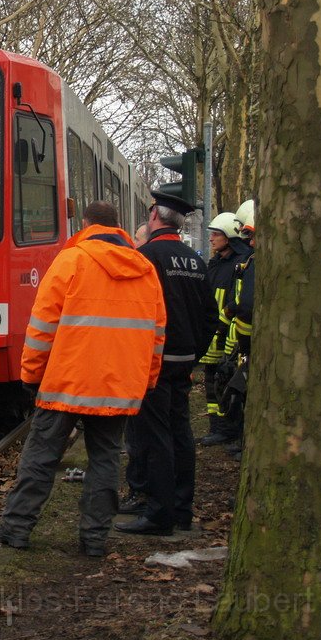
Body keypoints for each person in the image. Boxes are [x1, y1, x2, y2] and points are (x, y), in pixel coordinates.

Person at [0, 201, 166, 557]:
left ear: (85, 224)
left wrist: (31, 373)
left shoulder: (71, 261)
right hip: (118, 387)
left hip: (66, 382)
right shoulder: (145, 270)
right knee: (105, 460)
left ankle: (15, 531)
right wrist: (146, 381)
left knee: (41, 456)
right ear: (118, 227)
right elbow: (157, 335)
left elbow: (41, 326)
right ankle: (94, 540)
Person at [116, 192, 217, 536]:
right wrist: (194, 354)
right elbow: (209, 317)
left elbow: (130, 313)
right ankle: (181, 509)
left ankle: (158, 515)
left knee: (155, 436)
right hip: (184, 358)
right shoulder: (195, 259)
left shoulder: (144, 257)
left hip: (152, 361)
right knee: (181, 432)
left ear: (154, 216)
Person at [198, 211, 251, 445]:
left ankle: (229, 429)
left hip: (229, 333)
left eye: (216, 234)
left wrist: (224, 321)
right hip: (213, 331)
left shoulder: (241, 264)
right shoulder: (215, 263)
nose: (211, 239)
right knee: (211, 379)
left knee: (227, 379)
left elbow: (236, 300)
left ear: (229, 237)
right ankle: (216, 426)